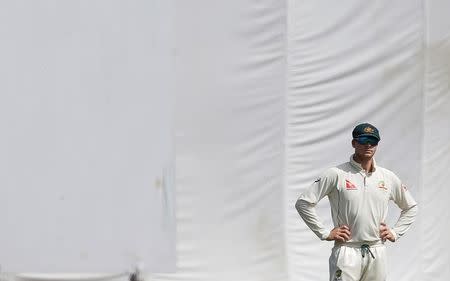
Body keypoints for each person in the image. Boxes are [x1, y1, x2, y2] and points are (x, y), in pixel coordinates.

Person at [295, 123, 418, 281]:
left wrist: (395, 232)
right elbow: (303, 203)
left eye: (373, 141)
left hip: (377, 250)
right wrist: (325, 233)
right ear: (354, 143)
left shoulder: (387, 177)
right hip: (347, 251)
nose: (368, 145)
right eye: (363, 139)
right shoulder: (336, 174)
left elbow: (411, 207)